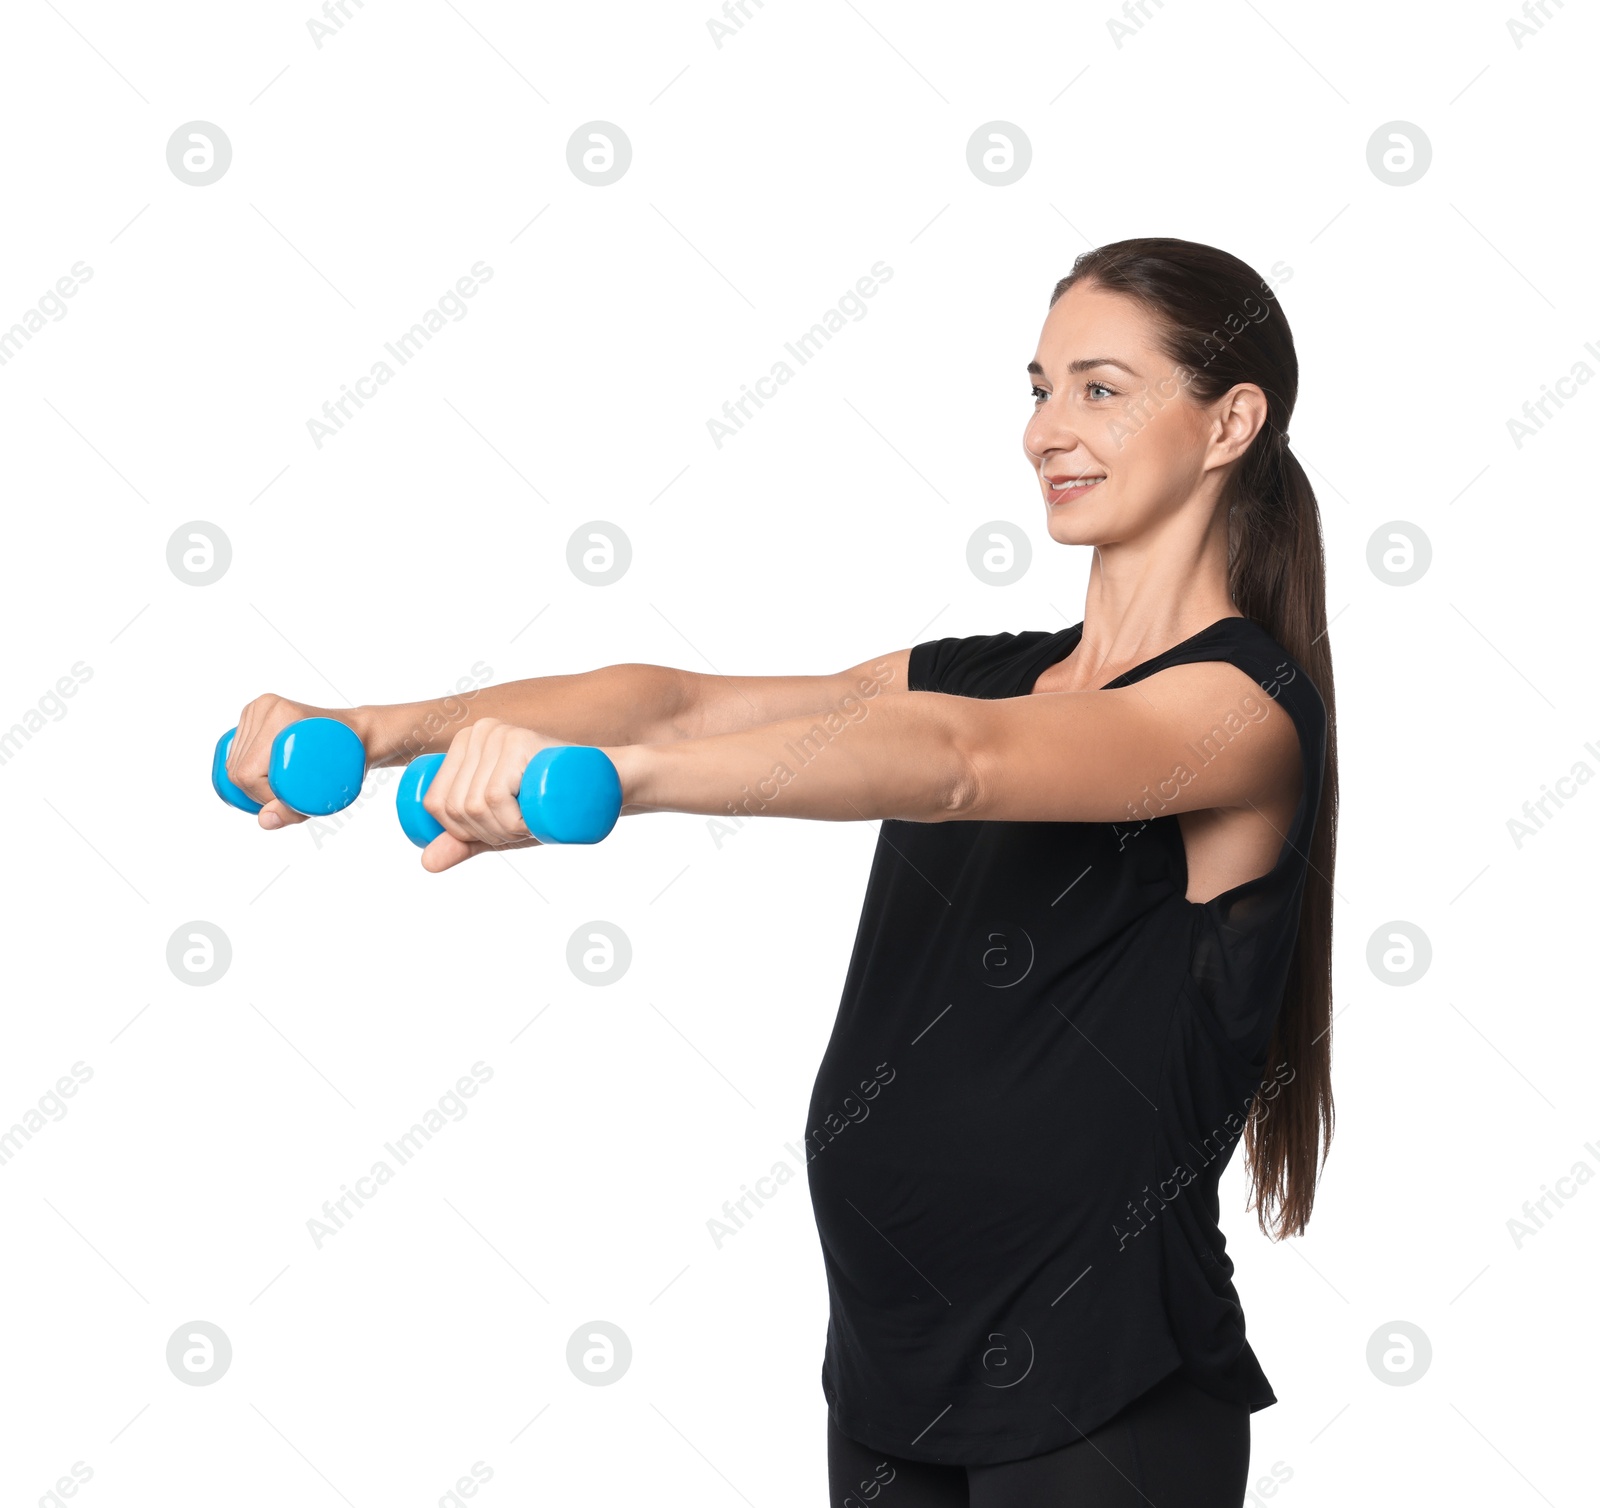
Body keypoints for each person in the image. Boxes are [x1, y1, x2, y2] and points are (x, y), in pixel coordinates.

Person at [225, 236, 1337, 1507]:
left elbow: (957, 766)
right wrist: (383, 731)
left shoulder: (1237, 709)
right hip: (888, 1367)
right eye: (1036, 389)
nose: (1046, 431)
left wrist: (622, 784)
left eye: (1099, 387)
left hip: (1103, 1394)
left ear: (1228, 420)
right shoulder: (981, 667)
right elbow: (684, 698)